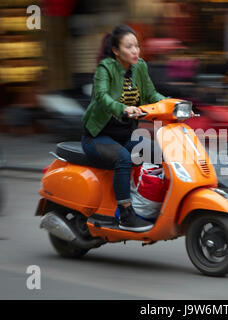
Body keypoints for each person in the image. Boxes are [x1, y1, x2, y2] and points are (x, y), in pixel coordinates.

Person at [82, 25, 166, 232]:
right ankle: (126, 214)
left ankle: (150, 203)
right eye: (129, 47)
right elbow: (102, 97)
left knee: (159, 154)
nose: (135, 50)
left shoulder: (140, 67)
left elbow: (151, 95)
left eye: (137, 45)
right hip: (98, 137)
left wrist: (175, 105)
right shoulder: (105, 69)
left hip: (126, 136)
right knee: (123, 158)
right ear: (116, 51)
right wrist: (123, 109)